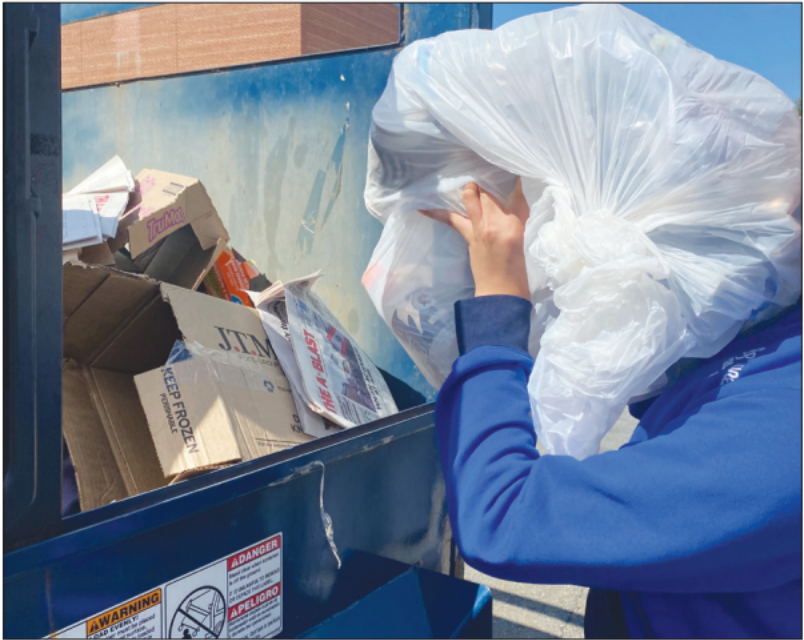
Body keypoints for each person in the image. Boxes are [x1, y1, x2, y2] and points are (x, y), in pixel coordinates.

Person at [421, 181, 802, 638]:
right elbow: (694, 403)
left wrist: (499, 304)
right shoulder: (782, 330)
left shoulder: (775, 454)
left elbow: (504, 515)